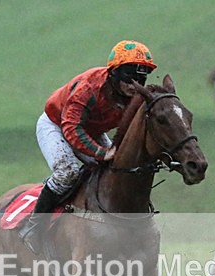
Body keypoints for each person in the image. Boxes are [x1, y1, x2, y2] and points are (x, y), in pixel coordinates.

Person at [19, 40, 157, 254]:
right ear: (114, 72)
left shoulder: (134, 96)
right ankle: (34, 227)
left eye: (141, 79)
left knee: (117, 168)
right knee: (67, 172)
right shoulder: (89, 87)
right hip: (56, 125)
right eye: (129, 77)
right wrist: (101, 153)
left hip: (92, 129)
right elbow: (71, 128)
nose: (134, 85)